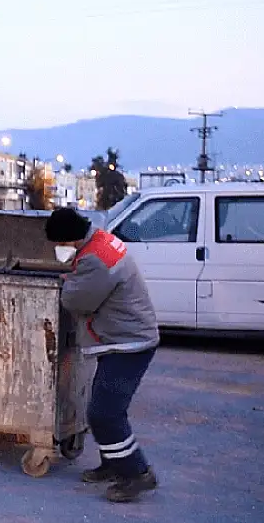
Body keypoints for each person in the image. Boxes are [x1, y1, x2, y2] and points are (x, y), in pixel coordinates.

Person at [45, 207, 160, 503]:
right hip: (123, 338)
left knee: (104, 413)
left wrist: (67, 282)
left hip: (128, 343)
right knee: (100, 408)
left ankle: (137, 473)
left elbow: (74, 300)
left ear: (70, 239)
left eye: (60, 244)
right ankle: (114, 464)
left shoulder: (94, 261)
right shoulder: (99, 241)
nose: (59, 250)